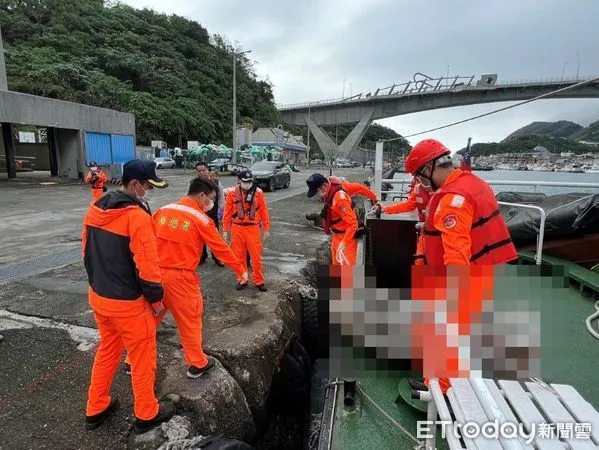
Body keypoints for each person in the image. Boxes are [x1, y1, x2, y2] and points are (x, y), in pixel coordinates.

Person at [404, 138, 518, 395]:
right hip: (480, 272)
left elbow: (456, 251)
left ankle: (443, 392)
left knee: (447, 337)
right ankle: (443, 382)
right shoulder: (474, 183)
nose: (421, 182)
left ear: (429, 168)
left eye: (420, 176)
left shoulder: (452, 199)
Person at [82, 159, 175, 434]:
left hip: (100, 297)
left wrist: (99, 285)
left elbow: (85, 253)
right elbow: (148, 268)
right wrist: (157, 302)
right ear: (135, 184)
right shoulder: (137, 218)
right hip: (129, 304)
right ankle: (147, 413)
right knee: (143, 358)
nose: (149, 191)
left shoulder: (95, 209)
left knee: (108, 351)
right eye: (148, 186)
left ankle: (95, 407)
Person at [124, 177, 248, 378]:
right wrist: (240, 270)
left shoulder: (163, 211)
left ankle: (132, 361)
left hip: (153, 277)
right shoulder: (201, 219)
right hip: (180, 280)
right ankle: (197, 363)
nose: (212, 203)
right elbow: (220, 249)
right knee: (190, 322)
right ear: (201, 195)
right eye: (211, 198)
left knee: (149, 322)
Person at [306, 173, 379, 265]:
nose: (317, 195)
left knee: (347, 272)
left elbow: (353, 224)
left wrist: (344, 242)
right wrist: (375, 198)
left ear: (324, 185)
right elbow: (359, 187)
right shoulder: (338, 187)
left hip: (347, 238)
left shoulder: (340, 199)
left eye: (317, 192)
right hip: (337, 236)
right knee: (337, 269)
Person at [222, 170, 270, 292]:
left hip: (253, 228)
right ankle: (242, 279)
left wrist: (266, 229)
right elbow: (227, 213)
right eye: (245, 182)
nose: (247, 184)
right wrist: (225, 230)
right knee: (238, 256)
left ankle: (259, 280)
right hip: (237, 227)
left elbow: (264, 211)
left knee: (256, 256)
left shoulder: (258, 193)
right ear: (239, 181)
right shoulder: (232, 193)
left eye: (249, 182)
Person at [381, 178, 430, 265]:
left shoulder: (444, 192)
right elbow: (409, 205)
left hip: (439, 234)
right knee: (419, 259)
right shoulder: (418, 189)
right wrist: (386, 209)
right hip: (425, 232)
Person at [195, 162, 225, 267]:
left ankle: (218, 258)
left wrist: (221, 212)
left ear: (208, 170)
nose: (202, 172)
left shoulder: (216, 182)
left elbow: (221, 197)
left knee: (215, 238)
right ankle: (201, 257)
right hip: (198, 215)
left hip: (213, 215)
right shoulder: (193, 184)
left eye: (203, 170)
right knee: (198, 238)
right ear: (196, 172)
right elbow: (189, 198)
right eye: (199, 171)